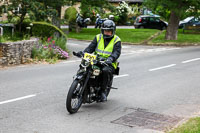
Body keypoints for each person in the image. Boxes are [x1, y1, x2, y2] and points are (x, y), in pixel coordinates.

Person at [77, 20, 121, 102]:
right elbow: (90, 48)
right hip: (96, 60)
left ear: (113, 31)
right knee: (85, 66)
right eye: (105, 31)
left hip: (109, 63)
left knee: (105, 71)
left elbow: (116, 52)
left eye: (109, 31)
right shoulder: (98, 37)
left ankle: (103, 91)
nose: (107, 33)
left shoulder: (116, 40)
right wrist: (83, 53)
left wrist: (111, 59)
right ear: (102, 30)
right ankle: (81, 84)